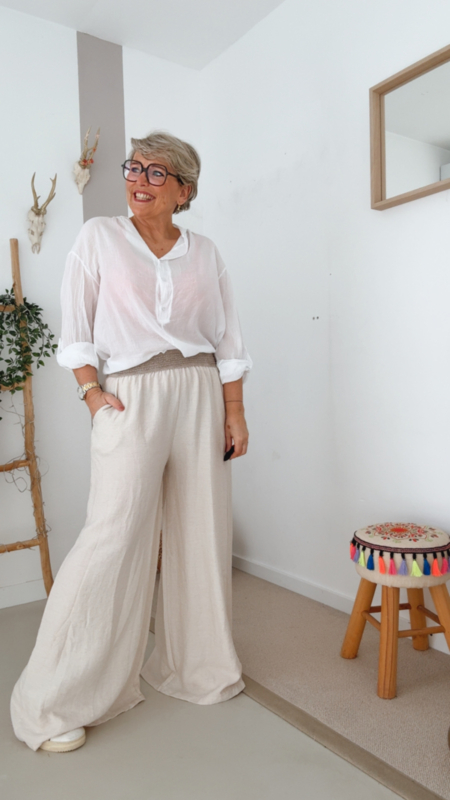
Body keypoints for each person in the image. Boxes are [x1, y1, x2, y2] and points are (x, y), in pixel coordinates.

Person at [10, 130, 252, 753]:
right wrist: (92, 395)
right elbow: (77, 328)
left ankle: (197, 668)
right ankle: (52, 700)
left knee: (203, 531)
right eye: (134, 167)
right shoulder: (99, 237)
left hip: (200, 391)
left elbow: (228, 340)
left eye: (156, 171)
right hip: (129, 394)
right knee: (112, 535)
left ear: (184, 191)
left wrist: (234, 412)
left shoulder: (206, 253)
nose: (139, 179)